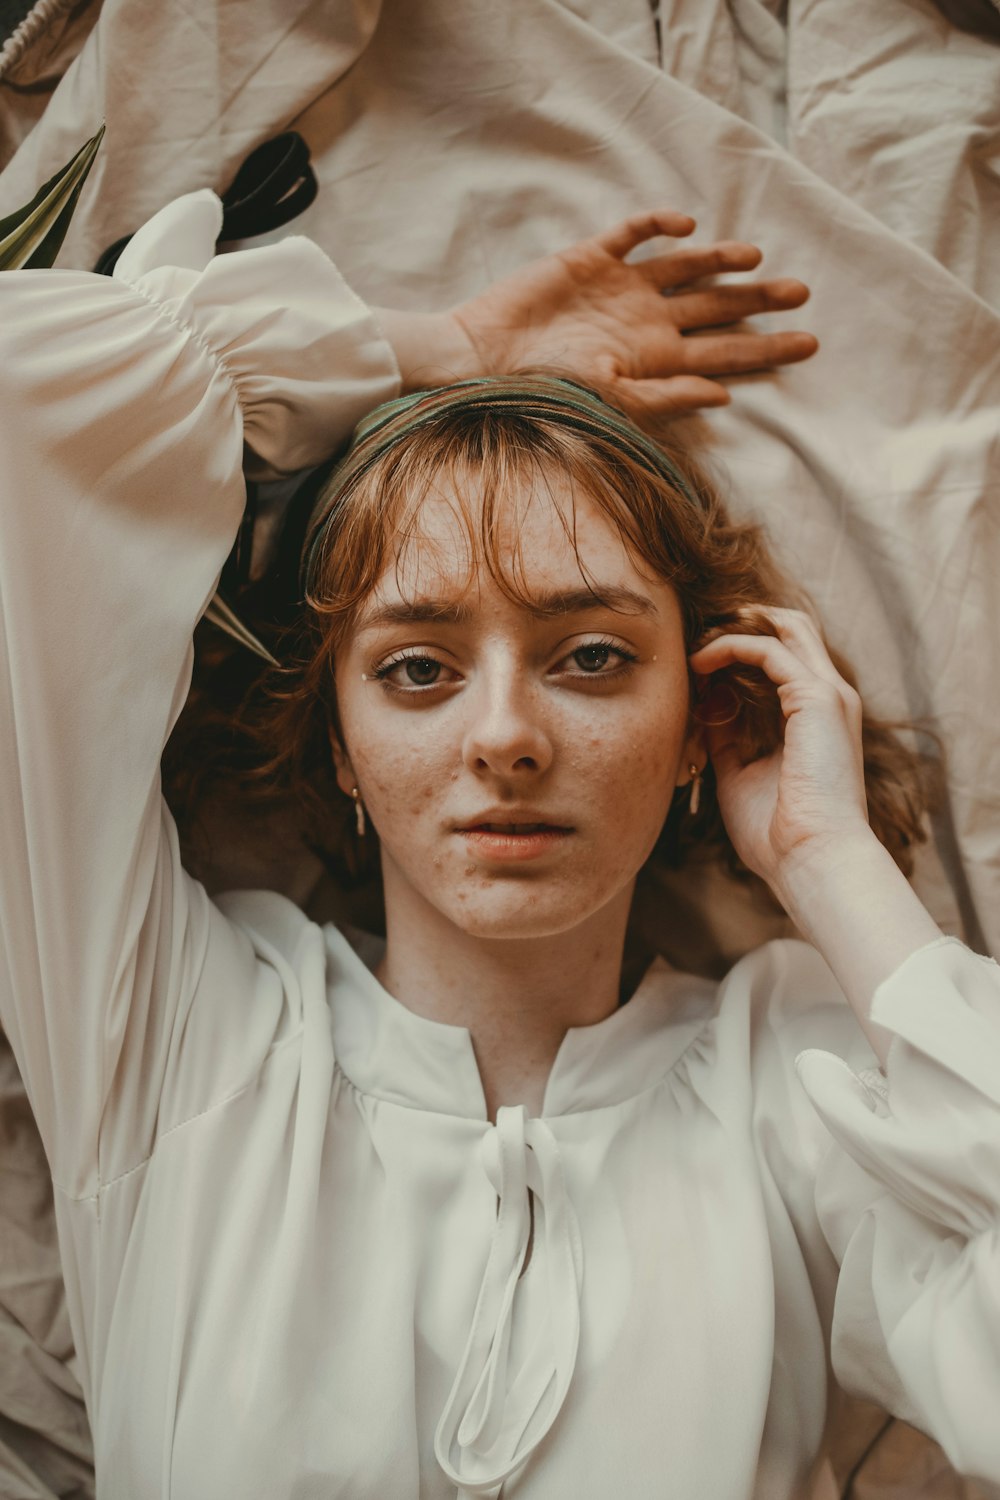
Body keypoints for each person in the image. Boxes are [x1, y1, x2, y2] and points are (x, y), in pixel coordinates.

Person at [0, 188, 997, 1500]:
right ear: (339, 746)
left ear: (703, 716)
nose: (508, 737)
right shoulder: (172, 1035)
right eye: (417, 670)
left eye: (591, 658)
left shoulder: (795, 1077)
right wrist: (431, 349)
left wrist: (827, 859)